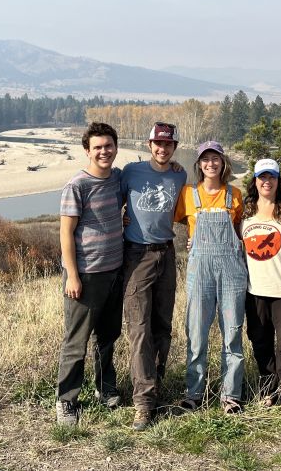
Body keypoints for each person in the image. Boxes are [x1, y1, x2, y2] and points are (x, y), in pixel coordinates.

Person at [56, 122, 125, 426]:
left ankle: (105, 388)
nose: (103, 152)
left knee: (108, 337)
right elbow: (66, 234)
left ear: (115, 147)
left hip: (115, 271)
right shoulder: (77, 186)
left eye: (108, 146)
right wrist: (72, 275)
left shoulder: (118, 179)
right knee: (76, 342)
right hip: (86, 276)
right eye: (97, 147)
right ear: (87, 151)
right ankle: (67, 400)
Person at [120, 122, 187, 431]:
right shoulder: (130, 173)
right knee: (139, 329)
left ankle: (155, 385)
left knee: (162, 326)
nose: (163, 149)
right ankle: (144, 403)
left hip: (166, 252)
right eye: (158, 144)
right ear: (149, 145)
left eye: (169, 145)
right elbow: (111, 204)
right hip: (137, 255)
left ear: (174, 147)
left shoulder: (179, 174)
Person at [173, 140, 248, 414]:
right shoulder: (187, 195)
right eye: (205, 159)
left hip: (232, 273)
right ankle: (194, 393)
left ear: (223, 162)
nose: (211, 164)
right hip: (199, 273)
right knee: (196, 333)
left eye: (215, 158)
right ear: (199, 164)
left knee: (232, 333)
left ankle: (231, 395)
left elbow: (241, 232)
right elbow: (179, 222)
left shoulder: (235, 196)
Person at [241, 159, 281, 417]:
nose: (267, 181)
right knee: (260, 342)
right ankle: (269, 388)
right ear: (255, 181)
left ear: (279, 181)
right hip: (255, 289)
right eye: (262, 177)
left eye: (272, 177)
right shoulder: (245, 211)